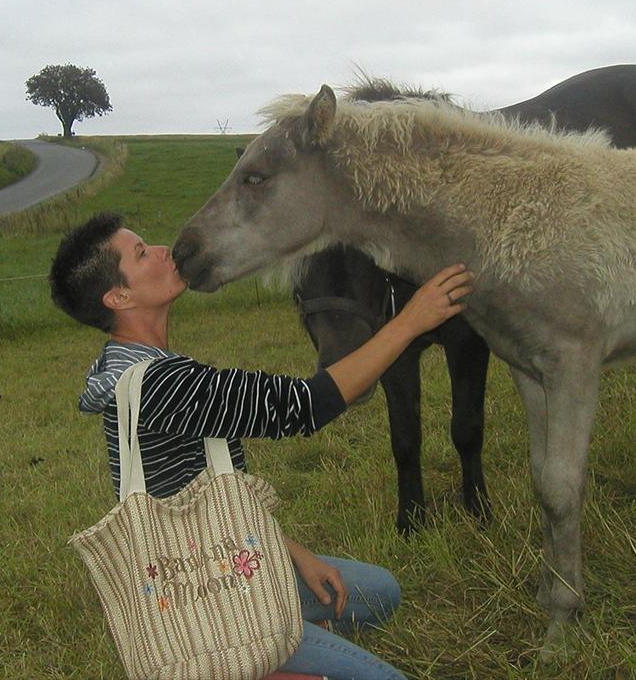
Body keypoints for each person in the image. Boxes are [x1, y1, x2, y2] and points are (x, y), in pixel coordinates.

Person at [50, 211, 473, 680]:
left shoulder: (125, 369)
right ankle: (252, 657)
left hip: (215, 561)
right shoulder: (162, 385)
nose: (164, 252)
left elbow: (202, 498)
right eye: (142, 253)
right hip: (209, 605)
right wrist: (410, 321)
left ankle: (282, 645)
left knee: (379, 592)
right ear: (119, 296)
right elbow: (305, 405)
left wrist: (294, 554)